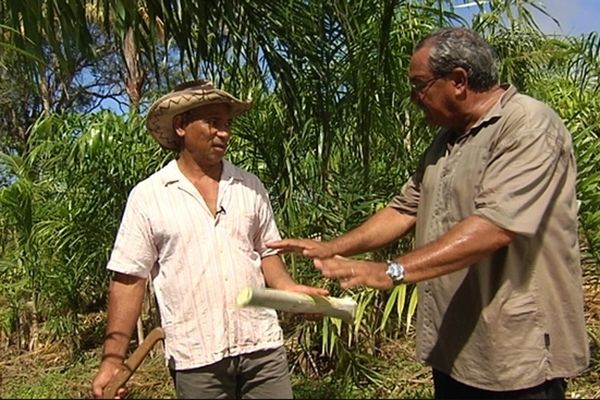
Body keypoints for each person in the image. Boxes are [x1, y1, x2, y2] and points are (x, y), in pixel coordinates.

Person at [268, 27, 589, 399]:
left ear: (458, 80)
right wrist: (333, 247)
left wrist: (391, 271)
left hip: (516, 353)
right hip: (455, 350)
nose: (414, 97)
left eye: (419, 85)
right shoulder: (446, 140)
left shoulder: (528, 125)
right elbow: (404, 209)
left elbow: (495, 227)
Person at [91, 80, 328, 399]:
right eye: (213, 123)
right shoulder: (148, 197)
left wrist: (289, 290)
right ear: (181, 126)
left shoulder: (249, 186)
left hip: (261, 347)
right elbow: (128, 280)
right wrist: (112, 361)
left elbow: (267, 253)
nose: (224, 133)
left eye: (227, 124)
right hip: (197, 356)